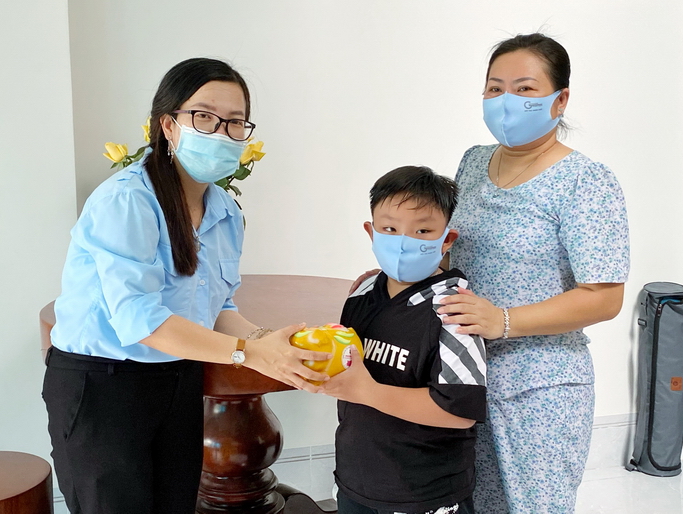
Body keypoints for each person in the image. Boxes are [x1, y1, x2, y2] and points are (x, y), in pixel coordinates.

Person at [42, 57, 332, 514]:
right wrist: (248, 353)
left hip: (178, 376)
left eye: (235, 122)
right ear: (168, 125)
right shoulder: (128, 200)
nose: (221, 133)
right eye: (204, 117)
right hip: (103, 385)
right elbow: (140, 320)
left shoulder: (225, 211)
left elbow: (218, 306)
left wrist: (266, 341)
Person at [435, 33, 630, 513]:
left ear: (560, 100)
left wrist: (503, 320)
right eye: (494, 88)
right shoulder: (473, 162)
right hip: (466, 373)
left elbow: (604, 296)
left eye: (524, 89)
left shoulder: (586, 182)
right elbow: (459, 254)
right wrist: (405, 271)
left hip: (541, 386)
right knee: (471, 503)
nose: (506, 101)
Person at [321, 166, 488, 514]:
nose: (403, 241)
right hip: (356, 481)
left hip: (425, 494)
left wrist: (367, 391)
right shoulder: (362, 292)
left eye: (423, 231)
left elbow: (459, 412)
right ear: (371, 232)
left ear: (446, 240)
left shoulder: (455, 309)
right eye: (390, 229)